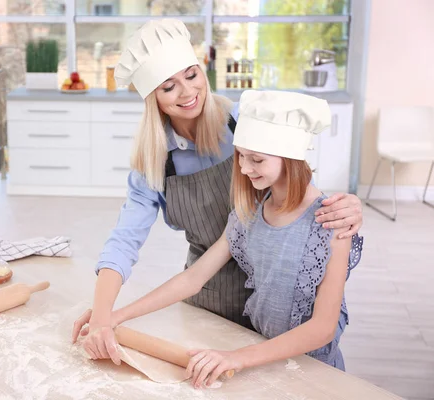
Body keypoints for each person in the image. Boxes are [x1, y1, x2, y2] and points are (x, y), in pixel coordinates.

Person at [71, 18, 364, 366]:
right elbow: (128, 243)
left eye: (191, 75)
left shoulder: (248, 122)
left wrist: (346, 205)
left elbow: (295, 176)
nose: (186, 92)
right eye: (168, 87)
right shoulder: (162, 166)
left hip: (278, 306)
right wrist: (106, 314)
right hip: (211, 297)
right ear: (154, 99)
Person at [106, 90, 363, 388]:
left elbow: (322, 328)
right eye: (240, 155)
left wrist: (236, 357)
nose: (243, 168)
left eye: (256, 159)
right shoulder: (249, 212)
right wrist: (117, 315)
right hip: (263, 360)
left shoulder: (331, 222)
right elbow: (193, 278)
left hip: (315, 370)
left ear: (290, 158)